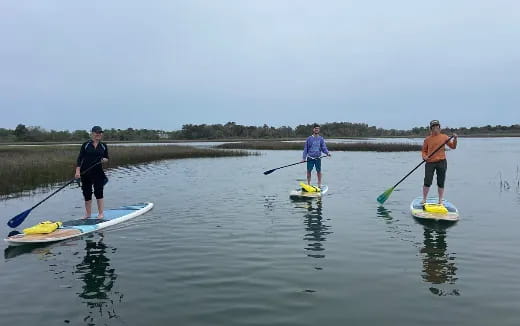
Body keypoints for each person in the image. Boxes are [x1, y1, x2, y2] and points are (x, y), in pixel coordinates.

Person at [75, 126, 109, 219]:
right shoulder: (85, 145)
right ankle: (88, 214)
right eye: (96, 133)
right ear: (92, 133)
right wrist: (77, 172)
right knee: (87, 193)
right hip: (85, 173)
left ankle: (100, 213)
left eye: (100, 133)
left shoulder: (103, 146)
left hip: (98, 173)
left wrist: (104, 160)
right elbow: (80, 158)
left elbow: (106, 157)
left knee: (99, 192)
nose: (98, 134)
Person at [422, 120, 457, 204]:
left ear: (439, 127)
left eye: (437, 126)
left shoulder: (444, 137)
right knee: (427, 181)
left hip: (442, 162)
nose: (435, 128)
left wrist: (455, 139)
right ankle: (424, 199)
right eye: (433, 127)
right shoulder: (427, 139)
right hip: (430, 162)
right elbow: (423, 151)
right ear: (431, 128)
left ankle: (440, 200)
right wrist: (424, 157)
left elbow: (453, 147)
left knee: (441, 181)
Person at [301, 124, 331, 188]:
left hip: (318, 158)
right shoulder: (309, 139)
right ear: (313, 129)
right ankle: (308, 184)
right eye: (315, 128)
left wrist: (327, 153)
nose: (316, 129)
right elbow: (305, 149)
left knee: (319, 171)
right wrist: (303, 158)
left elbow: (323, 147)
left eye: (318, 128)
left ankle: (319, 184)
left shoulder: (321, 139)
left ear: (319, 130)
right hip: (310, 158)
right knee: (309, 171)